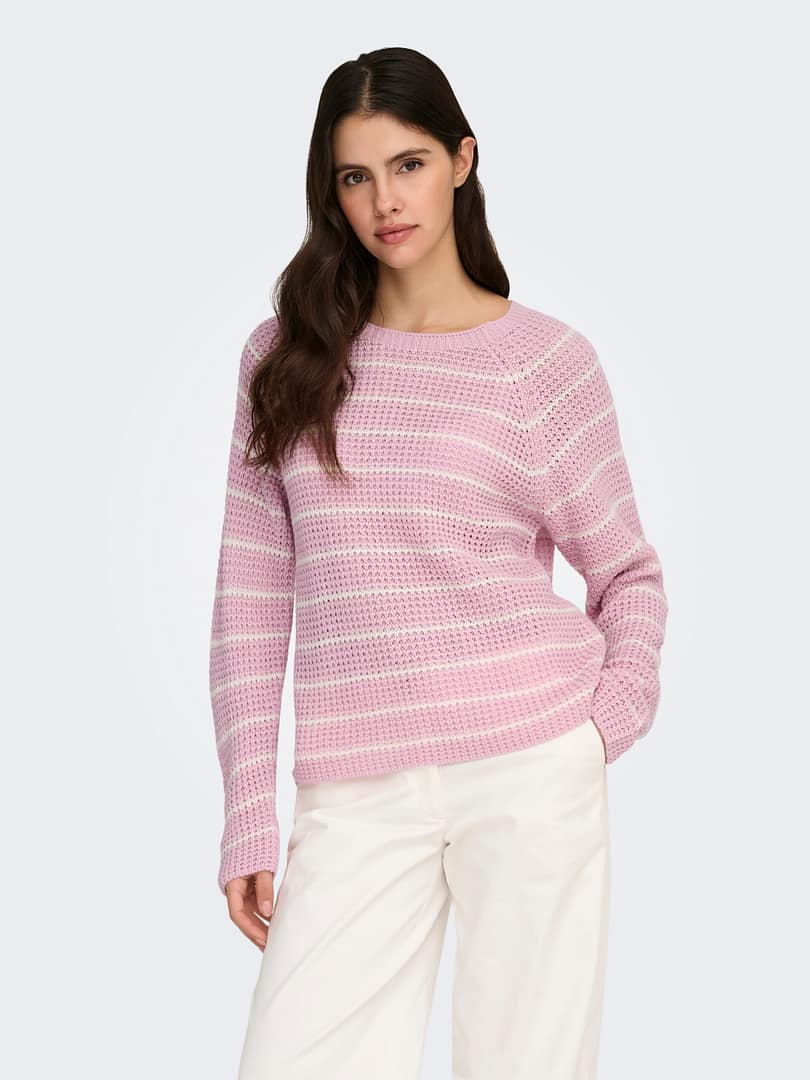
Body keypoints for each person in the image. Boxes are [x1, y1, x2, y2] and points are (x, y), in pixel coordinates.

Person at [208, 45, 668, 1080]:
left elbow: (627, 575)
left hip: (531, 760)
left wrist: (601, 725)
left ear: (462, 160)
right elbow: (250, 597)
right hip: (354, 784)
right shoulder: (284, 361)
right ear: (331, 190)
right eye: (355, 175)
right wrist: (247, 815)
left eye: (408, 165)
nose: (385, 201)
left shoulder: (542, 366)